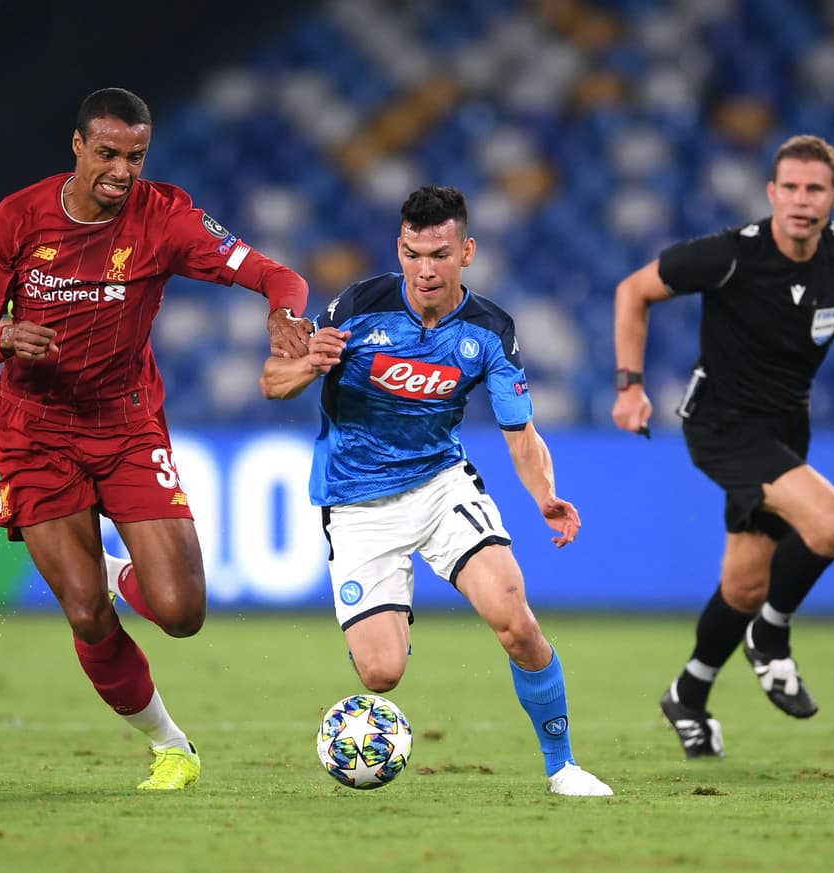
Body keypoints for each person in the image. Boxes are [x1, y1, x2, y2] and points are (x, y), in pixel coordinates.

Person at [0, 87, 311, 790]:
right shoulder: (17, 218)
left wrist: (283, 314)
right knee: (87, 614)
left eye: (137, 157)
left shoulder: (166, 219)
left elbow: (280, 273)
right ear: (79, 146)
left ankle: (124, 570)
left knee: (181, 613)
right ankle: (171, 745)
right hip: (37, 433)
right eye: (110, 154)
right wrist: (2, 336)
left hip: (125, 425)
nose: (123, 171)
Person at [261, 185, 613, 797]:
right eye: (412, 253)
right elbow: (272, 382)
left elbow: (520, 432)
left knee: (515, 620)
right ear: (399, 249)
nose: (425, 270)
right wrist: (311, 363)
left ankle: (563, 767)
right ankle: (383, 615)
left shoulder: (490, 330)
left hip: (441, 486)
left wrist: (546, 497)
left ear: (467, 252)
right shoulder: (356, 306)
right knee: (381, 674)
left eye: (440, 255)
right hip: (358, 502)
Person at [611, 134, 834, 758]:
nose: (801, 200)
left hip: (786, 429)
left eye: (815, 189)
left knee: (744, 585)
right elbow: (633, 291)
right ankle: (772, 638)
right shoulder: (733, 254)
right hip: (722, 425)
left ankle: (689, 695)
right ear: (771, 193)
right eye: (790, 187)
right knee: (832, 521)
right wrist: (630, 387)